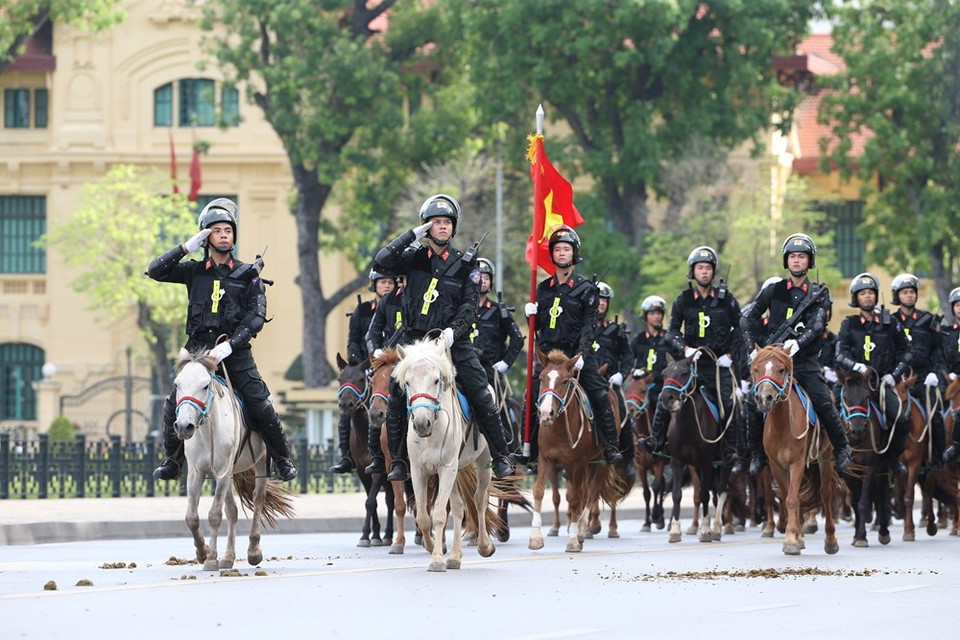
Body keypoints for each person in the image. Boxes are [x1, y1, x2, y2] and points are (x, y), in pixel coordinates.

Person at [147, 198, 297, 482]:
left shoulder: (248, 273)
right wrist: (186, 247)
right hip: (196, 352)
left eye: (228, 230)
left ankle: (282, 458)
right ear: (206, 236)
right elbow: (155, 270)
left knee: (259, 401)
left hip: (234, 350)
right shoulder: (193, 271)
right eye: (216, 230)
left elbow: (256, 317)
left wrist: (230, 345)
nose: (224, 234)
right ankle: (172, 460)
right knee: (173, 402)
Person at [372, 194, 514, 481]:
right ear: (427, 227)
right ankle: (399, 461)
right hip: (416, 342)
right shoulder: (413, 259)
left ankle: (500, 456)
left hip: (452, 342)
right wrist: (412, 234)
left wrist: (451, 334)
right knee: (398, 396)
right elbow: (382, 260)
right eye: (436, 222)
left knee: (482, 393)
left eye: (447, 222)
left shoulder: (466, 265)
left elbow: (470, 306)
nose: (442, 227)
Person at [740, 233, 852, 476]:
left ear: (809, 261)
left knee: (824, 401)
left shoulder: (819, 293)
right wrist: (753, 352)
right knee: (751, 402)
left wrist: (797, 345)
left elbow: (817, 325)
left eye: (802, 256)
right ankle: (757, 453)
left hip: (805, 362)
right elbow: (747, 318)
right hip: (775, 362)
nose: (797, 261)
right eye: (792, 256)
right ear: (786, 261)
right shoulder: (773, 290)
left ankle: (842, 447)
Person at [521, 226, 624, 467]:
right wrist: (530, 316)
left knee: (600, 393)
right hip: (550, 358)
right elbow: (538, 328)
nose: (562, 253)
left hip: (574, 356)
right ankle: (528, 449)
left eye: (566, 249)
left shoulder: (587, 289)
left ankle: (610, 446)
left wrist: (582, 356)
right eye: (557, 250)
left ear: (574, 254)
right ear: (552, 255)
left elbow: (590, 326)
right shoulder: (543, 289)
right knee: (530, 396)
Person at [642, 246, 743, 467]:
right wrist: (685, 349)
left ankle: (731, 449)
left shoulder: (727, 300)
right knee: (665, 395)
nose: (704, 272)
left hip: (718, 366)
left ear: (714, 272)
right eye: (700, 268)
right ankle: (656, 441)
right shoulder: (683, 299)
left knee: (730, 402)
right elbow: (671, 332)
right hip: (690, 366)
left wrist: (730, 354)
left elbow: (741, 328)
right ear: (693, 271)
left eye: (708, 268)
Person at [836, 272, 912, 475]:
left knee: (901, 420)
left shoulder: (889, 322)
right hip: (854, 384)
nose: (868, 296)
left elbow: (906, 351)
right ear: (856, 298)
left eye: (871, 293)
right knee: (830, 415)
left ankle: (892, 458)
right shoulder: (848, 324)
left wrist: (893, 376)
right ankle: (836, 455)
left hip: (880, 384)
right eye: (863, 293)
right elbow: (839, 354)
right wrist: (856, 366)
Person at [331, 270, 396, 474]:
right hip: (364, 368)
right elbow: (353, 341)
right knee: (347, 406)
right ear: (374, 285)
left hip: (389, 367)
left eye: (390, 282)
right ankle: (347, 457)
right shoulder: (363, 309)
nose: (386, 286)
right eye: (382, 282)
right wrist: (361, 366)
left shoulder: (397, 307)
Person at [891, 273, 945, 472]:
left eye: (912, 292)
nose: (909, 296)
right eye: (905, 292)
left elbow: (938, 349)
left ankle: (938, 460)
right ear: (897, 296)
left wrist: (934, 373)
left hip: (923, 377)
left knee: (936, 418)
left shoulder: (927, 319)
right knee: (887, 418)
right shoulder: (890, 321)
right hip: (898, 378)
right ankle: (889, 459)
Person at [471, 258, 524, 449]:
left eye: (486, 278)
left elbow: (517, 339)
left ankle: (507, 450)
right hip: (462, 367)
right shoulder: (461, 308)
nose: (483, 281)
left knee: (500, 410)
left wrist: (505, 363)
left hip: (490, 371)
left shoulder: (498, 311)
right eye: (478, 277)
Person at [360, 277, 406, 474]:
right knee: (376, 400)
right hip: (388, 358)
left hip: (414, 358)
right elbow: (372, 333)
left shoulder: (424, 297)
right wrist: (375, 350)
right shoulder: (388, 301)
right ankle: (377, 456)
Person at [593, 282, 636, 475]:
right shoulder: (581, 328)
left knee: (621, 412)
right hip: (583, 379)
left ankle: (628, 459)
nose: (601, 303)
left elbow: (628, 356)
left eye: (605, 300)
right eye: (598, 299)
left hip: (609, 382)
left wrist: (622, 374)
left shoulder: (615, 330)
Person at [940, 287, 960, 462]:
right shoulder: (946, 332)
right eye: (958, 305)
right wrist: (948, 373)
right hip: (952, 382)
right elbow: (940, 357)